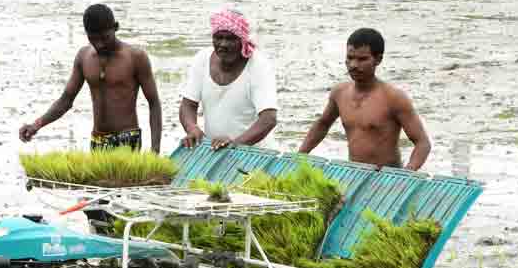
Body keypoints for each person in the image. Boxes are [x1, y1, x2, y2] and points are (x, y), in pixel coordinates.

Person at [19, 4, 162, 153]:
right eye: (93, 39)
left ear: (115, 28)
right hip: (97, 140)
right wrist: (36, 125)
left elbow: (153, 103)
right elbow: (66, 100)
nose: (99, 44)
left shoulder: (136, 57)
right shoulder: (84, 57)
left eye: (105, 38)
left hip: (127, 139)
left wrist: (155, 151)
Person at [298, 28, 431, 170]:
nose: (354, 65)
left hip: (387, 178)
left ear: (378, 59)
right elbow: (322, 125)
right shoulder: (339, 93)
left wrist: (407, 173)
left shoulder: (394, 98)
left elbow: (422, 143)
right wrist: (300, 156)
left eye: (362, 59)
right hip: (355, 175)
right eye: (350, 58)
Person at [179, 9, 278, 151]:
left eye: (230, 39)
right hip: (217, 150)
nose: (223, 44)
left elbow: (268, 119)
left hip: (253, 151)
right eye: (218, 37)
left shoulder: (258, 66)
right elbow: (188, 105)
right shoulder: (202, 59)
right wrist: (192, 128)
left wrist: (234, 144)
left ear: (242, 40)